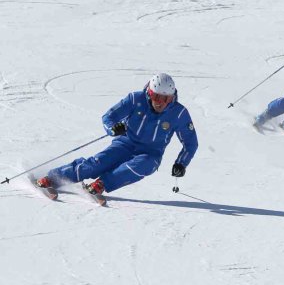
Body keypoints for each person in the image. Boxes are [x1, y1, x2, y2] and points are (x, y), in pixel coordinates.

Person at [36, 73, 198, 196]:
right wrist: (113, 128)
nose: (160, 103)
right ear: (149, 92)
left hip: (151, 153)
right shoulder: (136, 99)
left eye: (166, 99)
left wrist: (181, 163)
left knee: (143, 166)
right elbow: (109, 117)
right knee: (98, 163)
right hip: (125, 143)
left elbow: (191, 143)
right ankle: (53, 178)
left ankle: (101, 184)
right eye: (156, 96)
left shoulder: (179, 113)